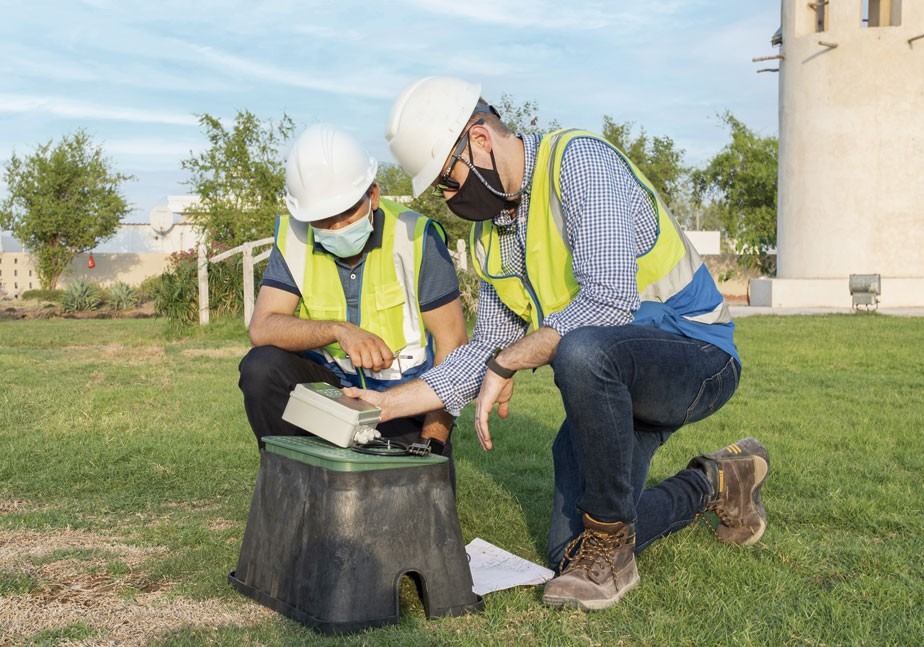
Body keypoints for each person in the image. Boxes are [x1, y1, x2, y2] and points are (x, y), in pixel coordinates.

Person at [343, 76, 769, 611]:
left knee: (583, 350)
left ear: (479, 139)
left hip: (696, 354)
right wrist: (383, 405)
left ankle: (611, 544)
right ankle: (713, 483)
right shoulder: (492, 235)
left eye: (448, 180)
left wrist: (509, 360)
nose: (450, 199)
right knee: (569, 548)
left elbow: (609, 301)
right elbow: (487, 350)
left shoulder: (578, 164)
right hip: (613, 373)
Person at [238, 123, 467, 458]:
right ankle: (289, 471)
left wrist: (432, 441)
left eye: (346, 212)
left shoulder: (417, 237)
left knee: (400, 504)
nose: (335, 227)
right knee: (261, 367)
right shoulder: (294, 237)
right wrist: (339, 331)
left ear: (372, 196)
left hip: (403, 403)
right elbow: (263, 327)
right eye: (322, 218)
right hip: (332, 396)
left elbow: (454, 346)